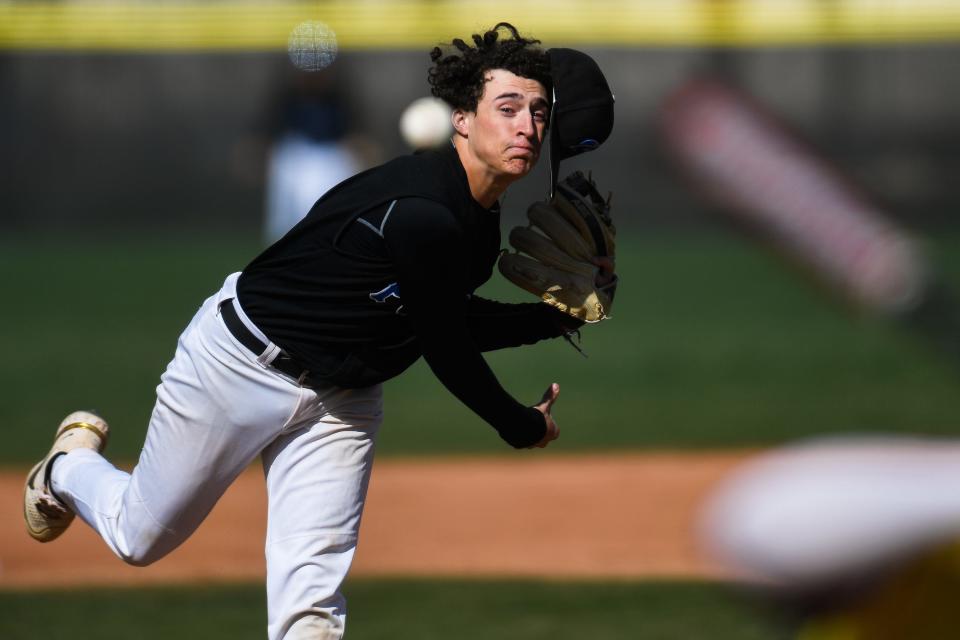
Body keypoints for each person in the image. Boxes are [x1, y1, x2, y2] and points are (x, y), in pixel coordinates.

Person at [23, 22, 615, 640]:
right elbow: (445, 345)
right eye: (508, 107)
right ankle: (65, 469)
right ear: (462, 118)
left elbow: (440, 317)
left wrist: (554, 318)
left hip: (343, 400)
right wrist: (517, 423)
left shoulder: (477, 221)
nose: (527, 125)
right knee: (138, 538)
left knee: (311, 606)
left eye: (539, 112)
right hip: (239, 364)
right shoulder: (424, 215)